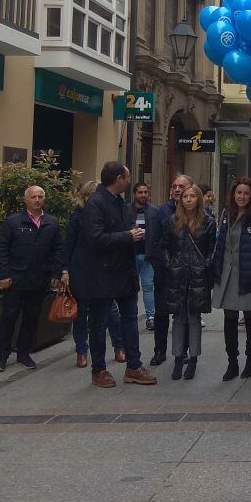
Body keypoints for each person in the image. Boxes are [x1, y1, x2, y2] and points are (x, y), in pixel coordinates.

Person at [82, 161, 157, 388]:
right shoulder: (96, 203)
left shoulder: (120, 203)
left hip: (124, 272)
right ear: (118, 179)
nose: (129, 180)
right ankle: (99, 370)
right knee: (99, 322)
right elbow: (94, 238)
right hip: (102, 275)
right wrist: (127, 236)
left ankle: (133, 366)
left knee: (130, 319)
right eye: (126, 177)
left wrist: (133, 236)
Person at [0, 185, 66, 372]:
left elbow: (58, 250)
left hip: (38, 279)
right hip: (15, 279)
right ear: (26, 200)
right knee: (9, 317)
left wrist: (56, 274)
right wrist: (3, 275)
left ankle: (24, 353)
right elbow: (1, 249)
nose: (37, 199)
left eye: (41, 196)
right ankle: (1, 356)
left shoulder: (52, 222)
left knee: (31, 318)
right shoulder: (13, 222)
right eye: (34, 196)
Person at [213, 177, 251, 380]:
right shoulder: (225, 214)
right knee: (229, 319)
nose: (242, 196)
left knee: (250, 317)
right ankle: (232, 363)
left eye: (246, 193)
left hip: (247, 274)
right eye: (239, 192)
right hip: (227, 275)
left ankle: (250, 360)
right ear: (233, 194)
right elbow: (220, 241)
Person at [65, 180, 124, 368]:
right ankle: (82, 351)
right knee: (80, 312)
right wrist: (64, 270)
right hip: (81, 266)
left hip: (104, 267)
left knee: (111, 311)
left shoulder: (108, 213)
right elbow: (69, 243)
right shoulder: (78, 217)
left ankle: (119, 346)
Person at [160, 184, 217, 380]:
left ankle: (193, 359)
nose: (188, 199)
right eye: (185, 196)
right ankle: (178, 358)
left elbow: (212, 248)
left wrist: (205, 265)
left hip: (198, 275)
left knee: (194, 318)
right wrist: (170, 264)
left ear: (199, 199)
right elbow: (164, 246)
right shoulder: (172, 221)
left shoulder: (208, 222)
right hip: (177, 275)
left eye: (192, 196)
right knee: (178, 318)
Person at [150, 174, 191, 366]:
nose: (177, 189)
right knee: (161, 312)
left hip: (187, 272)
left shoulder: (198, 213)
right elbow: (156, 242)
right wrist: (165, 264)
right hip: (165, 271)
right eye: (174, 186)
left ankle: (183, 350)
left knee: (184, 314)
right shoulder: (161, 212)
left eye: (181, 186)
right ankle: (160, 350)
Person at [129, 182, 160, 331]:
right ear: (134, 194)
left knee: (148, 287)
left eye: (145, 192)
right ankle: (131, 316)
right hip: (130, 254)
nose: (143, 195)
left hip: (148, 255)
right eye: (140, 192)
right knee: (131, 287)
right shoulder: (127, 210)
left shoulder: (154, 211)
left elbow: (158, 233)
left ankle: (151, 317)